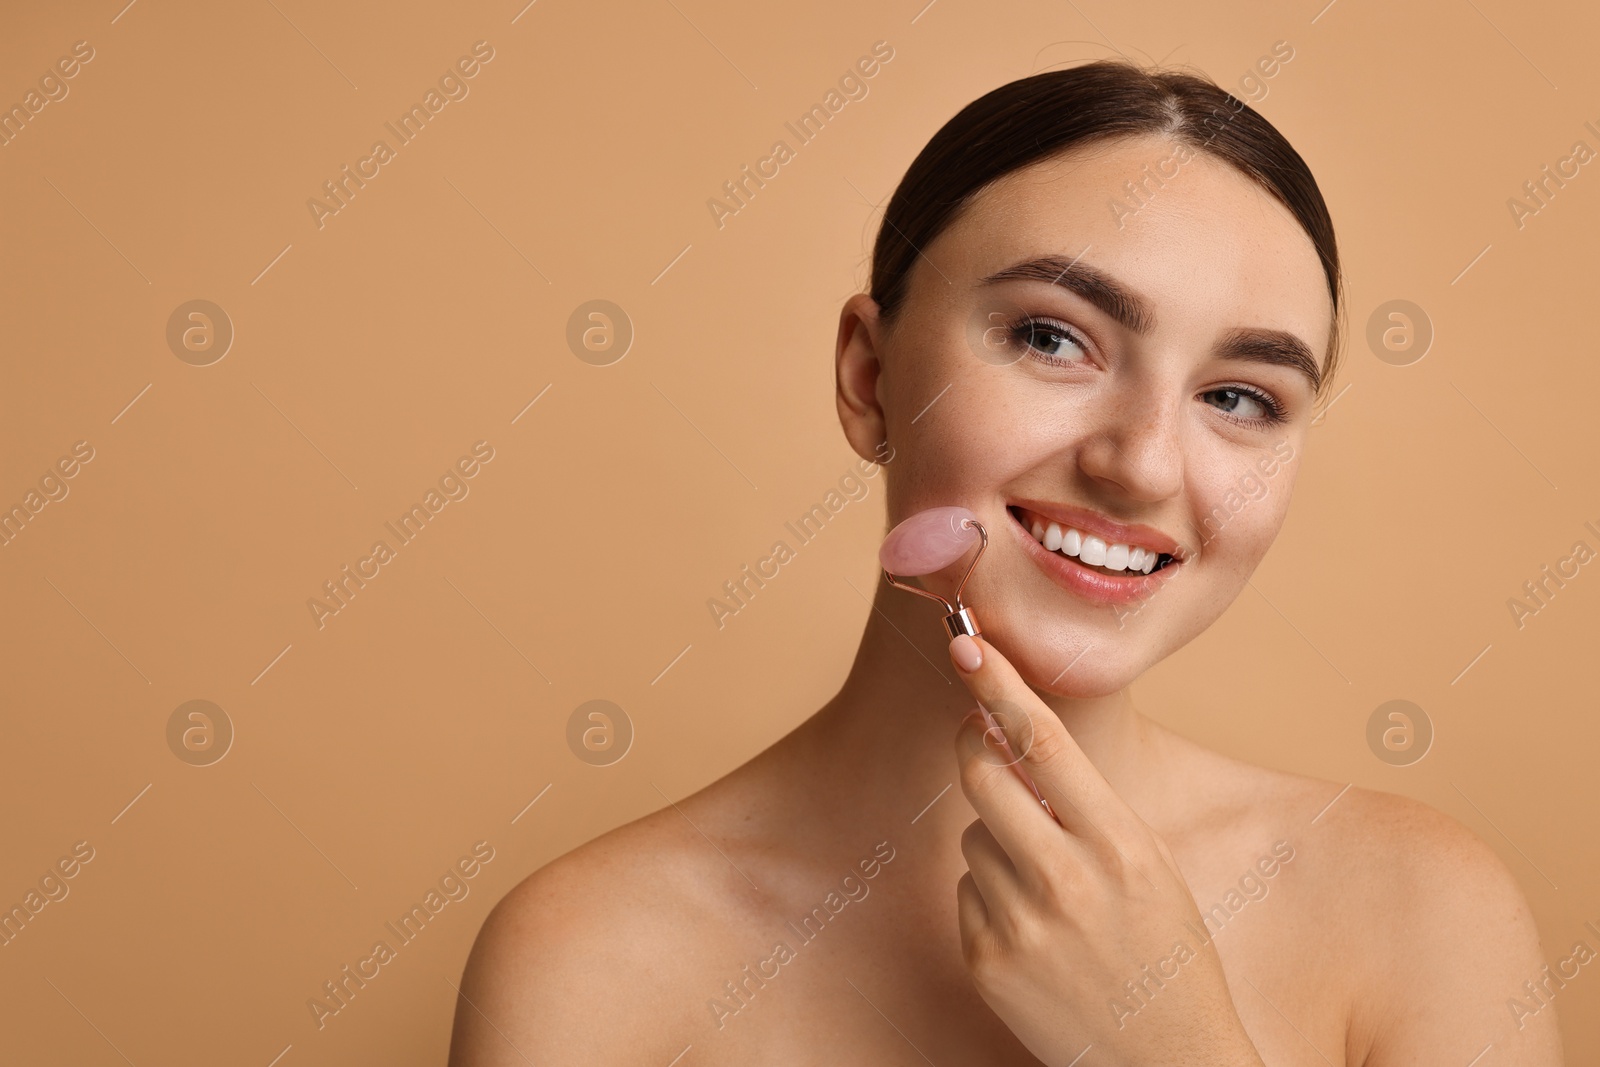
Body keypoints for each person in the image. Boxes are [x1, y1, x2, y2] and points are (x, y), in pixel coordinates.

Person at [448, 60, 1564, 1065]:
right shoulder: (586, 957)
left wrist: (1167, 1043)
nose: (1139, 462)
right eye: (1052, 337)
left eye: (1238, 397)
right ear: (867, 376)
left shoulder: (1417, 909)